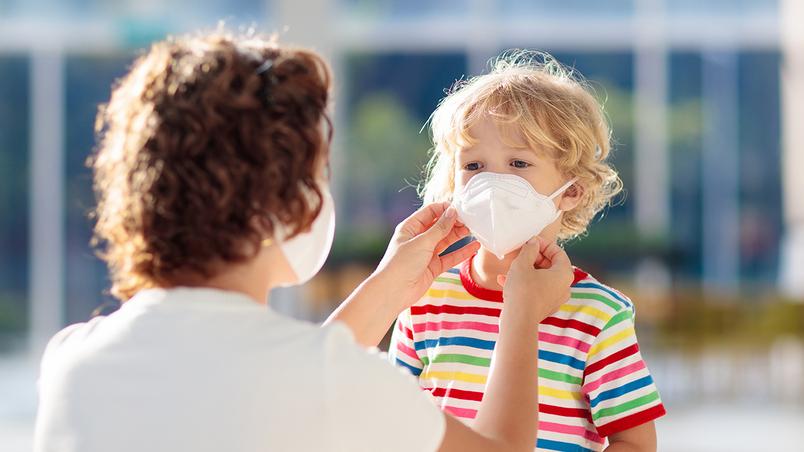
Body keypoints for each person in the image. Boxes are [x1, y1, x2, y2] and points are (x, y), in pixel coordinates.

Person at [33, 31, 575, 452]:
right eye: (319, 175)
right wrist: (521, 314)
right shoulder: (328, 381)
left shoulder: (70, 361)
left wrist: (388, 287)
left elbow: (289, 382)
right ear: (290, 204)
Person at [388, 51, 666, 451]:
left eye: (518, 162)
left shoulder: (598, 315)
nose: (494, 182)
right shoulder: (423, 299)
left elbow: (636, 444)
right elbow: (395, 424)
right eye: (474, 166)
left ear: (571, 191)